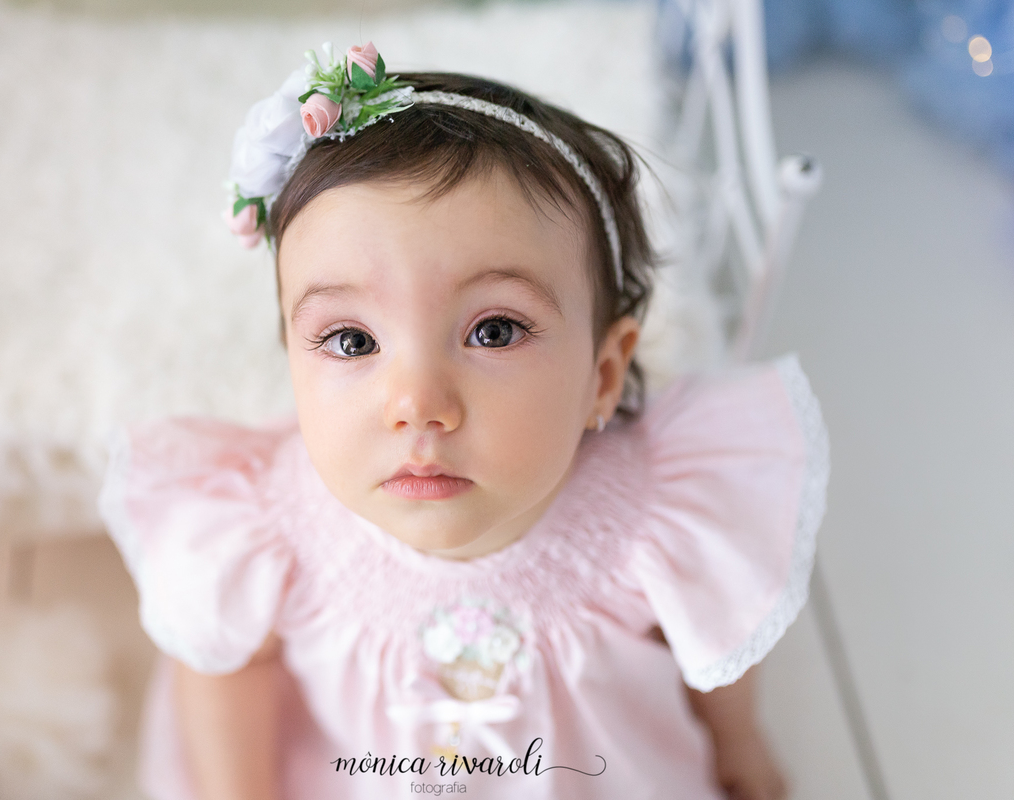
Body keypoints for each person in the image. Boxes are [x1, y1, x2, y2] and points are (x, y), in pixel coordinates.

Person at [100, 41, 828, 800]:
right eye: (352, 341)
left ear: (601, 375)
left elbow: (712, 644)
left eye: (494, 331)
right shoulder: (269, 530)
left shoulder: (656, 514)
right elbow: (227, 662)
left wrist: (738, 746)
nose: (417, 403)